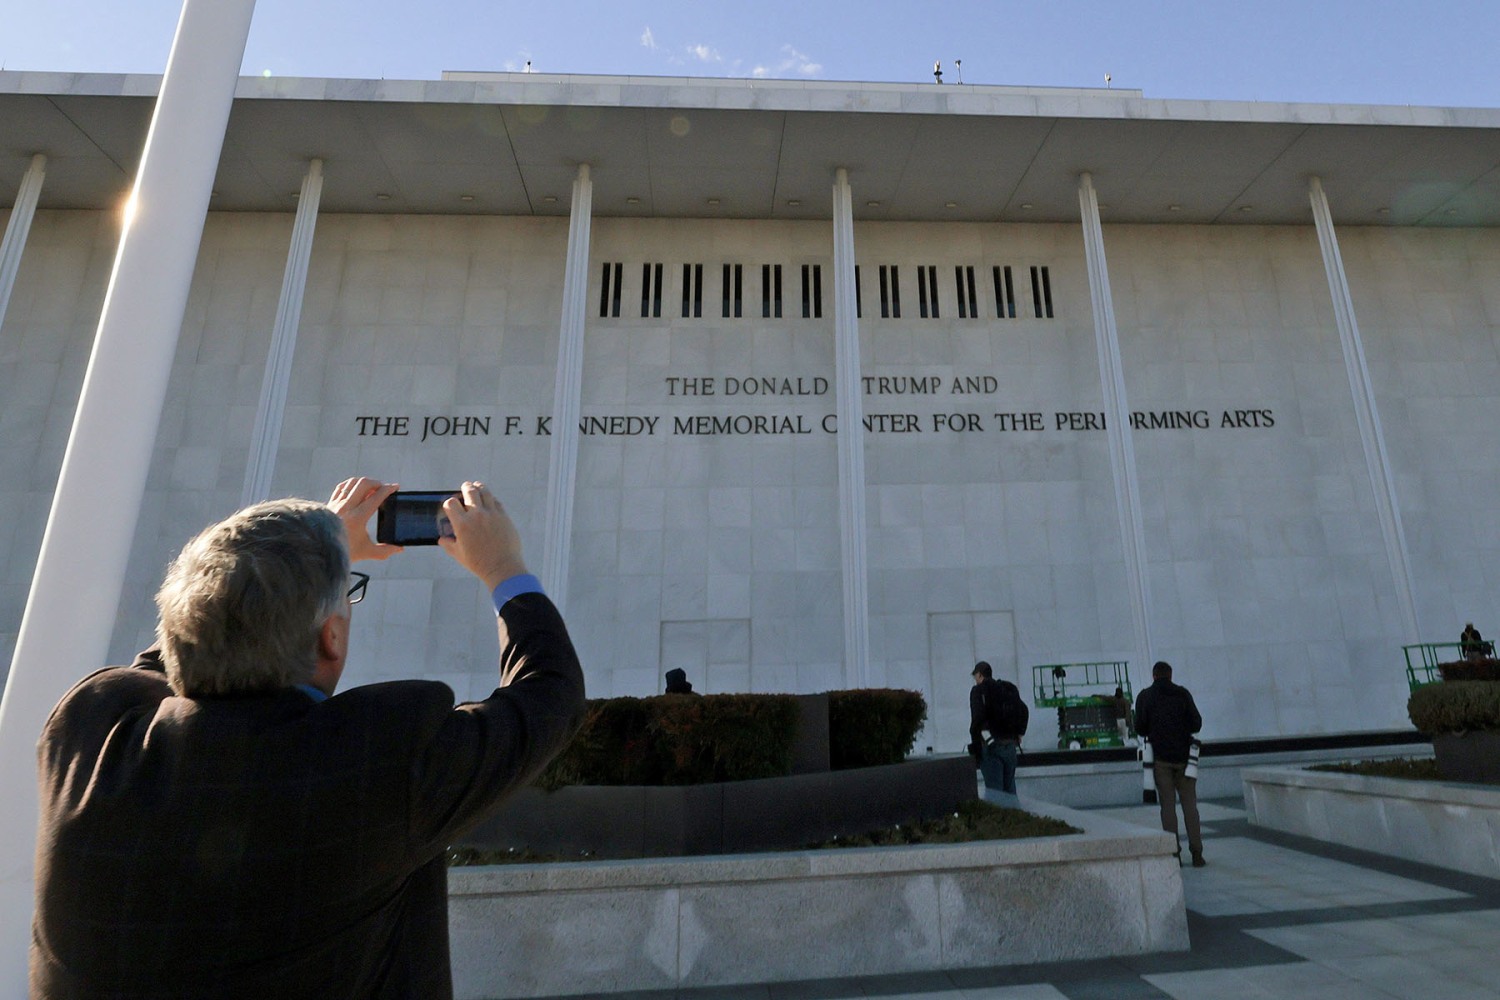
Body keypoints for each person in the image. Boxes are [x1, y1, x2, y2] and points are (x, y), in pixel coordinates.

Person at [30, 478, 585, 999]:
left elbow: (178, 653)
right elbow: (550, 694)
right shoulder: (378, 765)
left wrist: (302, 561)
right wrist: (503, 567)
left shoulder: (87, 736)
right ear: (333, 637)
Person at [1134, 660, 1205, 867]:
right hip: (1185, 759)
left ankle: (1174, 853)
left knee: (1167, 806)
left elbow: (1140, 727)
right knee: (1190, 806)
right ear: (1170, 675)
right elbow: (1196, 723)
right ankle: (1197, 853)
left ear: (1154, 676)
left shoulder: (1145, 696)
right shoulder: (1182, 694)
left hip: (1160, 759)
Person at [968, 661, 1024, 796]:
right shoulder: (1006, 688)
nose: (975, 680)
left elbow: (977, 719)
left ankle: (998, 818)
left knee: (995, 794)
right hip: (1010, 745)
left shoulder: (978, 691)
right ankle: (1015, 816)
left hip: (990, 745)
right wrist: (1019, 733)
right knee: (1010, 791)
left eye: (975, 676)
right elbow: (1023, 710)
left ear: (980, 675)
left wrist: (976, 748)